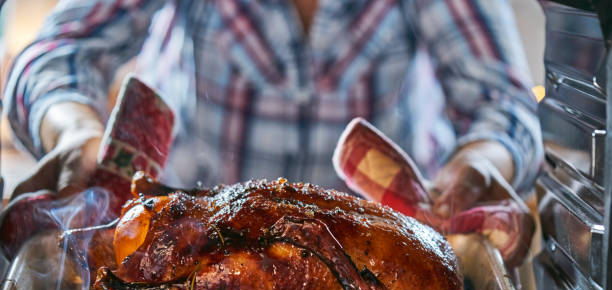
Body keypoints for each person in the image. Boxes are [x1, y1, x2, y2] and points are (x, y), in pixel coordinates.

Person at [3, 0, 542, 218]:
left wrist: (481, 161)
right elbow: (56, 54)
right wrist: (76, 131)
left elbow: (504, 103)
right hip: (194, 284)